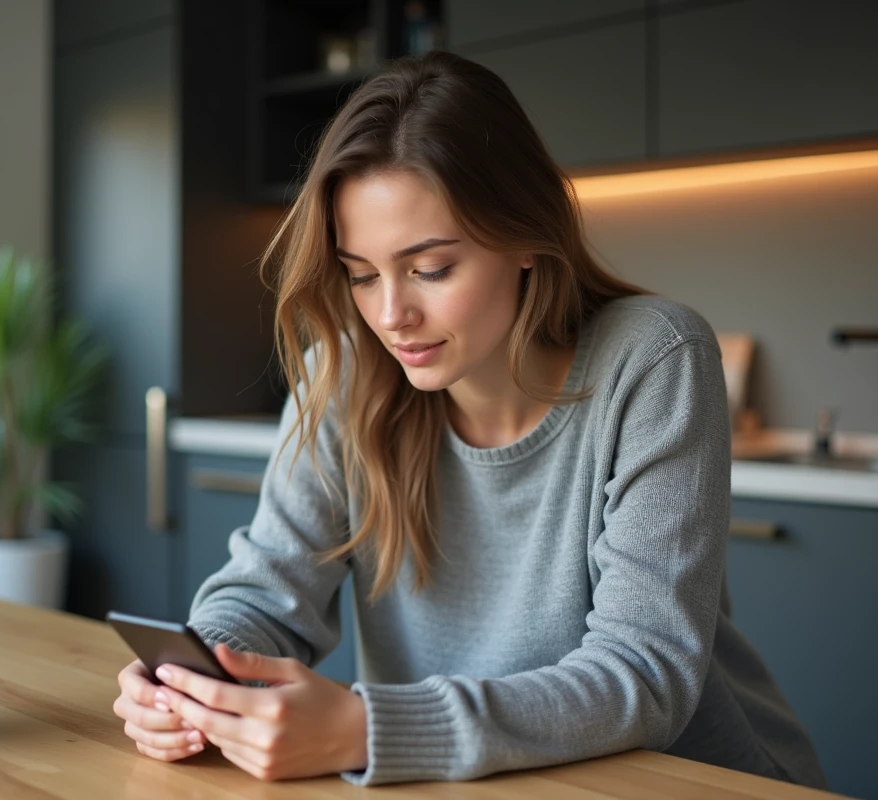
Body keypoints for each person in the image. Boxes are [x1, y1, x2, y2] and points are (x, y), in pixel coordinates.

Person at [112, 50, 829, 789]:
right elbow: (264, 594)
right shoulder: (347, 375)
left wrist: (369, 729)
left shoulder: (653, 357)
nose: (392, 315)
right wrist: (195, 682)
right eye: (361, 275)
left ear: (523, 236)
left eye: (431, 268)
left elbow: (645, 675)